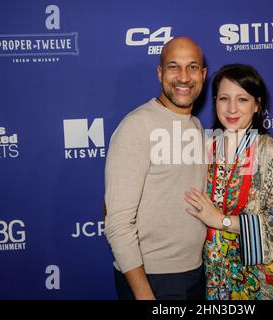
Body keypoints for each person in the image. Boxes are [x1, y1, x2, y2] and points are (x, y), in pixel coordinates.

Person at [104, 37, 208, 300]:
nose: (184, 77)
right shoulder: (137, 126)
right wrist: (144, 294)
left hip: (195, 274)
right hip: (152, 280)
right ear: (160, 73)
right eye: (174, 67)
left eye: (192, 67)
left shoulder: (196, 126)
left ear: (203, 75)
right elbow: (117, 222)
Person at [184, 64, 273, 300]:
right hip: (212, 279)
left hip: (259, 280)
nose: (232, 108)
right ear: (215, 102)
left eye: (242, 99)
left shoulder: (269, 151)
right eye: (224, 98)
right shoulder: (204, 147)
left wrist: (220, 220)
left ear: (257, 105)